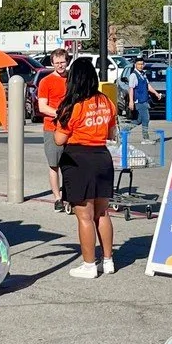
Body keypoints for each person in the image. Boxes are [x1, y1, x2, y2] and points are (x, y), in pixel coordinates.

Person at [54, 55, 117, 279]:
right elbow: (111, 133)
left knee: (84, 216)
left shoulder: (73, 106)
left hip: (79, 159)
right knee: (102, 212)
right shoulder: (106, 102)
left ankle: (89, 264)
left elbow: (59, 140)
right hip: (102, 157)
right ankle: (108, 260)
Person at [35, 48, 70, 212]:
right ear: (52, 63)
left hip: (72, 128)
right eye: (57, 63)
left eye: (62, 62)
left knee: (70, 165)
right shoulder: (46, 82)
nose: (60, 65)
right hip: (52, 128)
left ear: (67, 61)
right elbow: (42, 106)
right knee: (54, 164)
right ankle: (57, 198)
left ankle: (70, 196)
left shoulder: (71, 79)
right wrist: (59, 113)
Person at [126, 58, 152, 135]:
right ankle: (145, 138)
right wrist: (131, 101)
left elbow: (148, 86)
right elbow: (131, 89)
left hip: (144, 99)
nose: (140, 66)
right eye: (139, 64)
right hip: (139, 100)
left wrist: (156, 94)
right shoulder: (133, 75)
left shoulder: (143, 74)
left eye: (142, 64)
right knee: (146, 119)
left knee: (139, 120)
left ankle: (124, 130)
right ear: (135, 65)